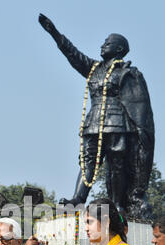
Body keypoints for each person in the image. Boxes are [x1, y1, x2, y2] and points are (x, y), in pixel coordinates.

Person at [38, 14, 154, 219]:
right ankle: (77, 199)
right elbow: (73, 55)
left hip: (118, 124)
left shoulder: (128, 72)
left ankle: (118, 204)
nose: (102, 45)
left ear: (119, 49)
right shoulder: (94, 69)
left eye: (107, 43)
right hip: (93, 124)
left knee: (116, 165)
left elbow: (139, 107)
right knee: (87, 162)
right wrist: (55, 34)